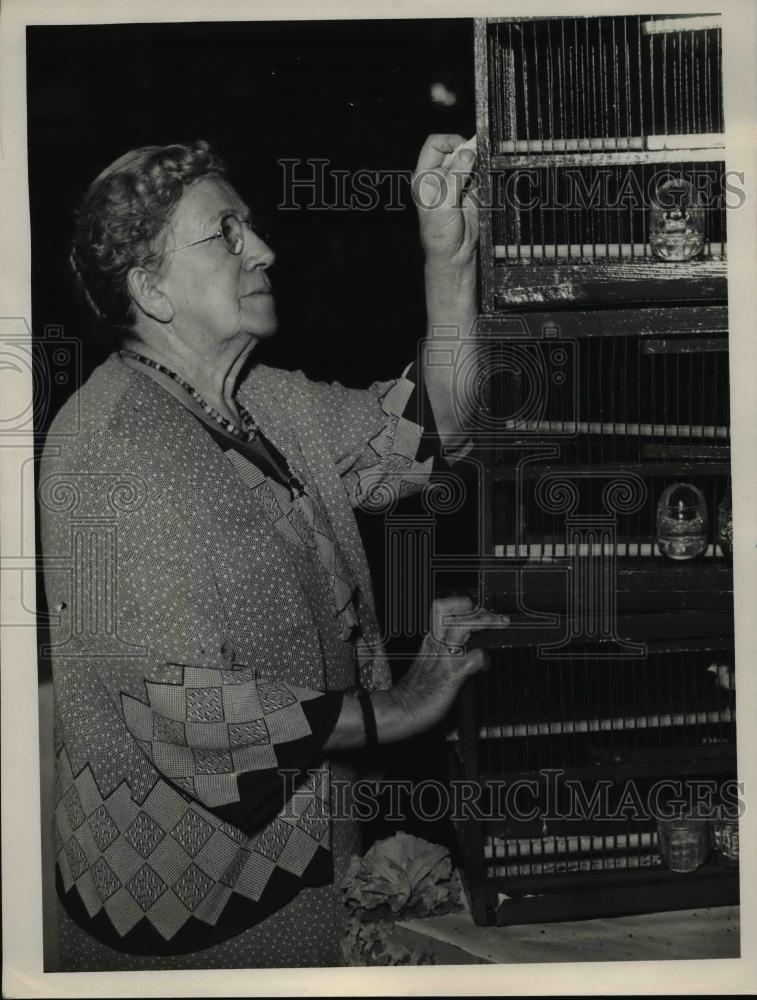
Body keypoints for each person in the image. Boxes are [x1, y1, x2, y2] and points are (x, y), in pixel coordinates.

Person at [39, 135, 506, 971]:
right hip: (192, 922)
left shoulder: (261, 399)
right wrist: (404, 704)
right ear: (151, 288)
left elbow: (437, 436)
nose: (263, 248)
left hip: (314, 862)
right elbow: (188, 711)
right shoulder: (106, 451)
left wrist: (450, 256)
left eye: (247, 226)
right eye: (225, 234)